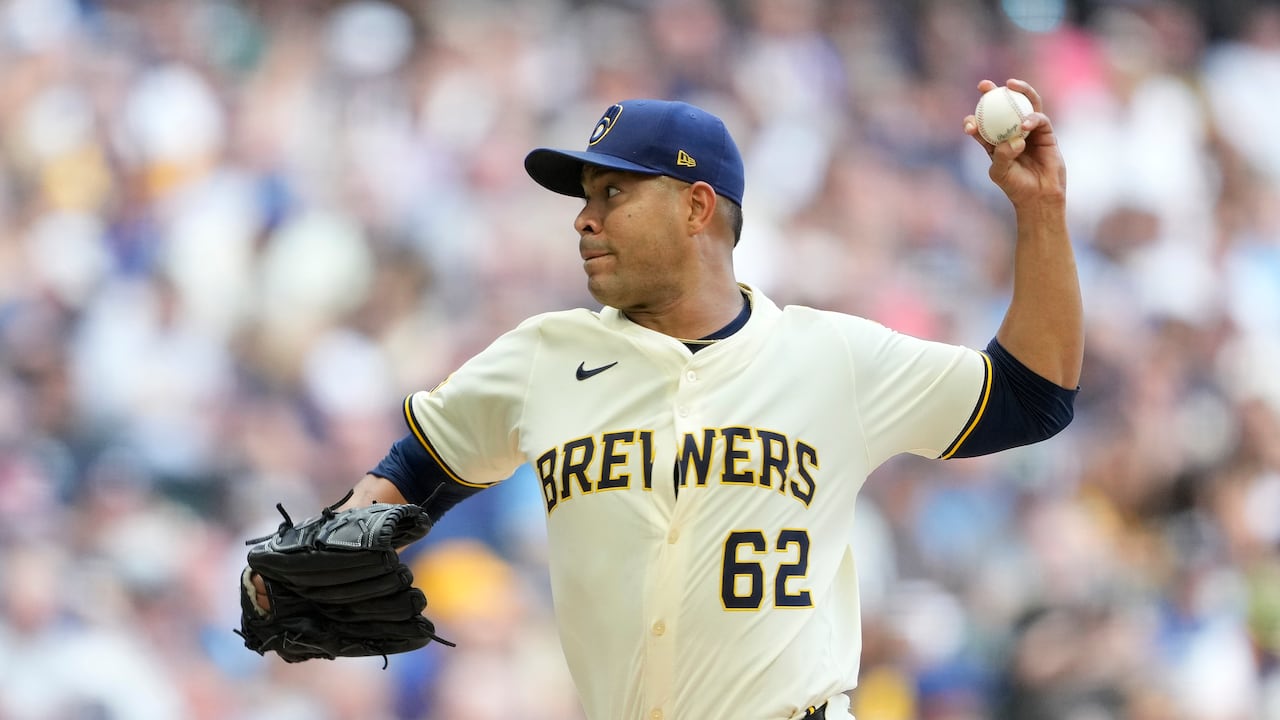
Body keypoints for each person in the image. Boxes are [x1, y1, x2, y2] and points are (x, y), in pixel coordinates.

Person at [253, 78, 1082, 720]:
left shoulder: (830, 357)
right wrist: (313, 557)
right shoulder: (543, 357)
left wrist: (1039, 210)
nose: (584, 218)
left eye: (613, 193)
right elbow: (413, 471)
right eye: (583, 197)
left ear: (696, 207)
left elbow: (1033, 395)